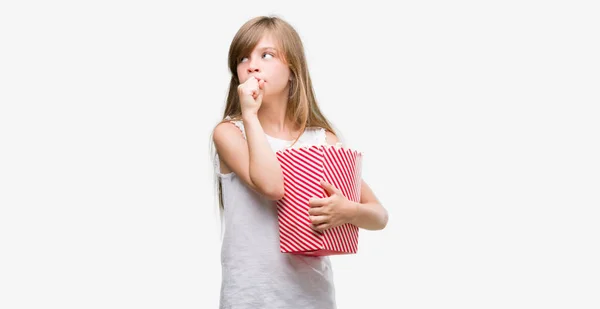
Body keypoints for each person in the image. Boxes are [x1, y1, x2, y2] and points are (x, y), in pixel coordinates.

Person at [210, 15, 389, 309]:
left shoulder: (322, 140)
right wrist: (250, 116)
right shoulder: (230, 133)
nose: (252, 65)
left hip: (311, 297)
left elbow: (379, 216)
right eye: (243, 58)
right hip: (250, 297)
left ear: (292, 69)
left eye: (266, 55)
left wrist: (348, 210)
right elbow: (272, 186)